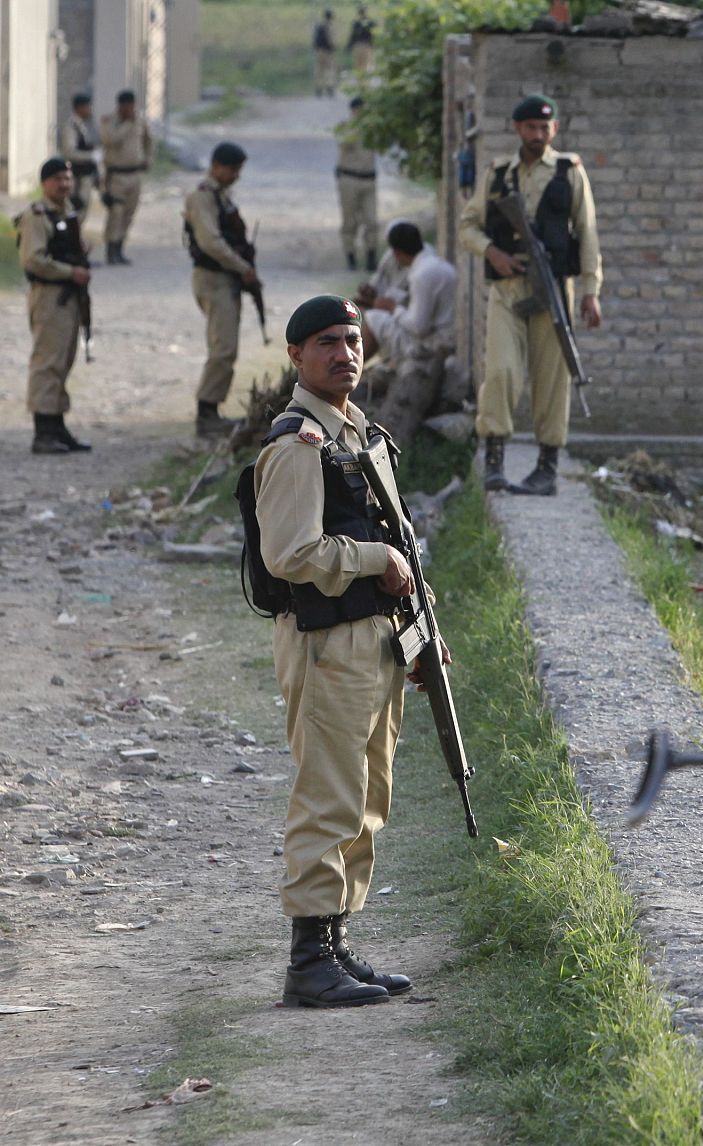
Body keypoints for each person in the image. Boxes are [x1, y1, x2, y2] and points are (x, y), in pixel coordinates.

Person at [253, 294, 426, 1008]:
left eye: (352, 340)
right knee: (328, 798)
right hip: (326, 642)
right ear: (296, 356)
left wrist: (421, 629)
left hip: (376, 639)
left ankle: (334, 943)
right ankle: (306, 965)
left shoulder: (361, 435)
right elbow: (291, 553)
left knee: (367, 800)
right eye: (326, 342)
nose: (343, 353)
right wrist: (372, 557)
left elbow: (405, 548)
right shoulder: (298, 444)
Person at [458, 92, 602, 497]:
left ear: (554, 129)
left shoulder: (569, 171)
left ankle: (547, 467)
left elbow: (587, 232)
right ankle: (494, 460)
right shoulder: (498, 174)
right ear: (518, 129)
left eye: (546, 127)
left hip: (554, 286)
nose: (539, 134)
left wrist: (591, 290)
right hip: (507, 289)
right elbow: (468, 226)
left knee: (553, 378)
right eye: (531, 127)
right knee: (501, 371)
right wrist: (493, 253)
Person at [17, 157, 93, 455]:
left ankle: (57, 424)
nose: (64, 184)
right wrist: (69, 272)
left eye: (67, 179)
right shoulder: (36, 215)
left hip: (69, 297)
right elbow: (33, 259)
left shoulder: (65, 211)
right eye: (57, 179)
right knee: (47, 361)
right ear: (44, 183)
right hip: (49, 295)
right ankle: (43, 431)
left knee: (63, 359)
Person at [183, 141, 259, 437]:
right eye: (232, 169)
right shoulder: (202, 198)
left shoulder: (220, 196)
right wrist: (243, 267)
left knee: (227, 346)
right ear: (216, 167)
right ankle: (206, 412)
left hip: (226, 280)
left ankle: (212, 408)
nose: (236, 175)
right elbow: (210, 242)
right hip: (213, 279)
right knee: (222, 347)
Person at [360, 221, 456, 367]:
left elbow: (419, 328)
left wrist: (393, 308)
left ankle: (348, 372)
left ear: (397, 253)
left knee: (373, 318)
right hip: (444, 338)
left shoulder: (422, 274)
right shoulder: (441, 265)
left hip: (433, 346)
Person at [98, 89, 151, 265]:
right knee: (116, 213)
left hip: (135, 174)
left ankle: (120, 248)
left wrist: (147, 158)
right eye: (126, 106)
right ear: (120, 106)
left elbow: (149, 140)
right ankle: (110, 249)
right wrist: (127, 124)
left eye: (132, 105)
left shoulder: (140, 121)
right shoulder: (109, 121)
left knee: (129, 213)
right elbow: (110, 140)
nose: (130, 109)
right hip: (116, 175)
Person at [335, 97, 378, 271]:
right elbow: (345, 143)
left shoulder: (373, 129)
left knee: (371, 220)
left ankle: (371, 256)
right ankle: (350, 255)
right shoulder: (347, 127)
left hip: (368, 178)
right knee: (350, 221)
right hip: (349, 178)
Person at [58, 93, 100, 224]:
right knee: (74, 212)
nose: (90, 110)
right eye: (87, 107)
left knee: (82, 212)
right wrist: (91, 156)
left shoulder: (84, 125)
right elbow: (69, 153)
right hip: (76, 178)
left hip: (86, 176)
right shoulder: (71, 127)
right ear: (79, 108)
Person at [312, 9, 338, 98]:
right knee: (329, 70)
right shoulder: (329, 26)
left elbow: (314, 39)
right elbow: (330, 39)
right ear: (330, 17)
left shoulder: (319, 25)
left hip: (319, 51)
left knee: (319, 70)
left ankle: (318, 89)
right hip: (327, 51)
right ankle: (329, 88)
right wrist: (333, 48)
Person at [346, 6, 374, 74]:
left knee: (358, 65)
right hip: (366, 46)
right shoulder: (370, 22)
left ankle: (360, 82)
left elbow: (352, 36)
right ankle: (365, 83)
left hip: (357, 46)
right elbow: (373, 35)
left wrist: (348, 46)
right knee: (366, 65)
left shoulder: (355, 23)